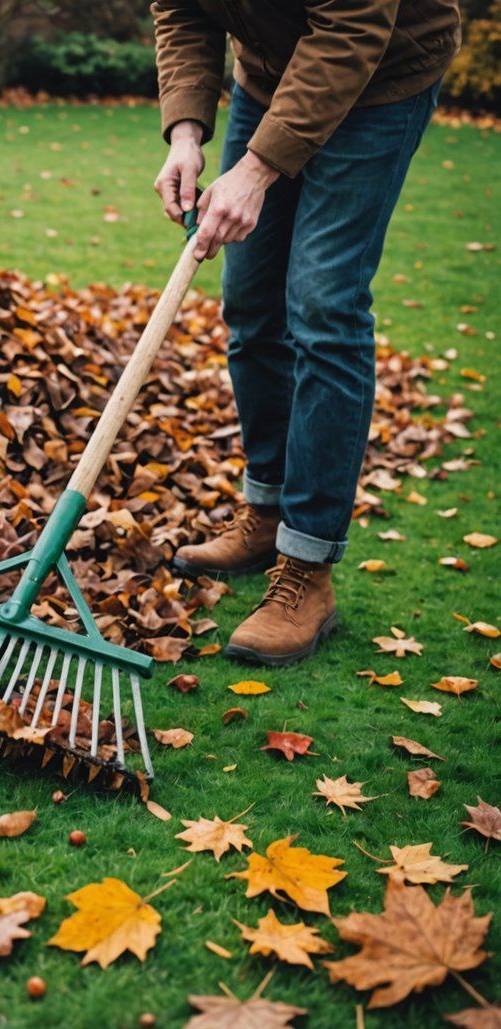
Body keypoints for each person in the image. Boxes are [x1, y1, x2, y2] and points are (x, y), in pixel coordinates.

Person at [151, 0, 460, 666]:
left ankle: (308, 569)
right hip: (271, 78)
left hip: (379, 75)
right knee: (252, 302)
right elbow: (180, 10)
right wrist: (184, 132)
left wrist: (256, 171)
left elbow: (352, 27)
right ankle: (267, 513)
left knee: (324, 304)